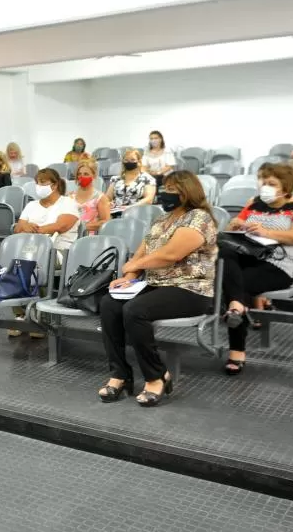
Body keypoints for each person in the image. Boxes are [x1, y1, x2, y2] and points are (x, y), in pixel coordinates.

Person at [97, 171, 218, 407]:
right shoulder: (161, 220)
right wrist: (129, 277)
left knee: (135, 310)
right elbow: (142, 252)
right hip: (156, 285)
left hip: (191, 289)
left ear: (187, 192)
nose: (165, 193)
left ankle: (156, 376)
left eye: (172, 189)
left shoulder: (199, 218)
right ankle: (120, 374)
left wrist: (135, 265)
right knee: (109, 304)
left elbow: (171, 255)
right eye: (164, 188)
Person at [222, 163, 293, 375]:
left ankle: (237, 349)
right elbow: (231, 233)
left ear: (285, 186)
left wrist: (266, 232)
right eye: (262, 181)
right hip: (246, 258)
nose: (265, 186)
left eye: (271, 183)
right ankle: (236, 307)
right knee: (224, 252)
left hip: (277, 266)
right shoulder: (254, 204)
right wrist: (234, 225)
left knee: (237, 284)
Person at [9, 167, 80, 337]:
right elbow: (18, 227)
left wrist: (33, 229)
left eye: (42, 182)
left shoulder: (67, 203)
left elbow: (61, 225)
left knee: (38, 262)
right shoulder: (32, 205)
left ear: (54, 185)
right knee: (17, 263)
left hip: (61, 251)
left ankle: (40, 317)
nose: (38, 186)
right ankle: (20, 314)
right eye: (36, 183)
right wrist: (25, 226)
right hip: (30, 250)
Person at [105, 149, 156, 213]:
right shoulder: (116, 179)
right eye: (126, 160)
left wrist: (130, 207)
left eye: (132, 160)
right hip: (115, 211)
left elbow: (149, 199)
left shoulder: (147, 179)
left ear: (139, 161)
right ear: (123, 162)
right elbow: (108, 197)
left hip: (137, 212)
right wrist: (109, 203)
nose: (129, 162)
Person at [69, 159, 110, 235]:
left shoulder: (100, 197)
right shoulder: (71, 197)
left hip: (90, 237)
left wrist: (83, 227)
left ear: (93, 175)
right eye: (79, 174)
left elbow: (106, 221)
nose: (82, 176)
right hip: (70, 235)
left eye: (86, 174)